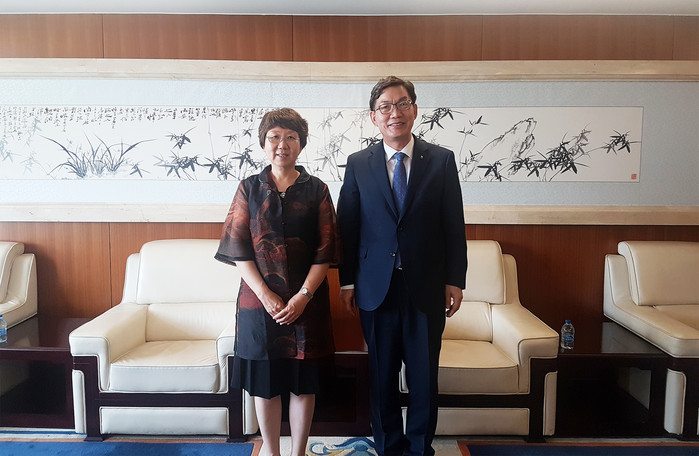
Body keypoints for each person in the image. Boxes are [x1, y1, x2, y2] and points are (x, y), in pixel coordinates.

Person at [337, 76, 467, 456]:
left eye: (402, 103)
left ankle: (420, 449)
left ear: (414, 109)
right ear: (374, 116)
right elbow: (348, 226)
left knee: (424, 378)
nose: (394, 112)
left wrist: (455, 279)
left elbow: (453, 223)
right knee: (382, 377)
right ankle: (389, 449)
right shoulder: (358, 163)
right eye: (385, 106)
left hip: (425, 287)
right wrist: (347, 282)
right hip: (375, 288)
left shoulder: (441, 160)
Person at [216, 108, 339, 456]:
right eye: (274, 137)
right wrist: (265, 294)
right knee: (265, 384)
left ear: (301, 144)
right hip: (258, 305)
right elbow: (238, 248)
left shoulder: (318, 190)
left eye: (290, 137)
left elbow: (326, 250)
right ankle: (271, 451)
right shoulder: (248, 188)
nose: (282, 144)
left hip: (307, 302)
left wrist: (303, 296)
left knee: (303, 383)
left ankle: (298, 452)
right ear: (263, 143)